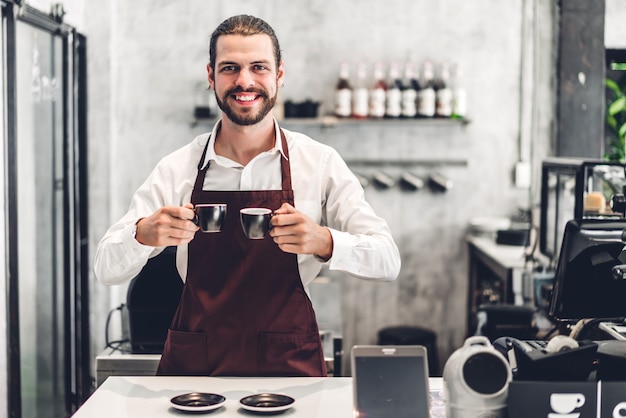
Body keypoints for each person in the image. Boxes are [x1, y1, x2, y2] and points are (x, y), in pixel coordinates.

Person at [94, 14, 401, 377]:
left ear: (279, 75)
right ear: (211, 77)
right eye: (230, 68)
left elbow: (387, 260)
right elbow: (106, 268)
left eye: (258, 67)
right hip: (196, 370)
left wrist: (325, 241)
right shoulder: (177, 168)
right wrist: (142, 234)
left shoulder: (318, 163)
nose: (244, 81)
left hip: (288, 366)